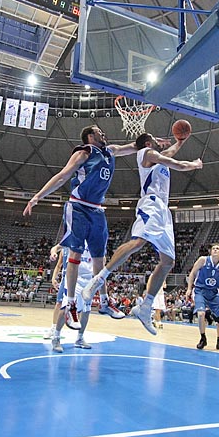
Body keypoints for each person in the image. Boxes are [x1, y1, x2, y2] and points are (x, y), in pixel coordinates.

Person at [82, 131, 203, 334]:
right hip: (151, 204)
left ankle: (145, 307)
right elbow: (179, 165)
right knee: (138, 242)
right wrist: (194, 164)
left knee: (168, 262)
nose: (159, 142)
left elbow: (170, 152)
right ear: (148, 143)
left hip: (164, 210)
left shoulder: (159, 159)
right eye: (155, 140)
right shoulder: (146, 153)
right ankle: (98, 280)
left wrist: (180, 141)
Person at [23, 125, 141, 321]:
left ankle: (104, 301)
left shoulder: (110, 151)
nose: (103, 133)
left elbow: (131, 146)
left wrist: (149, 145)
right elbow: (62, 176)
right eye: (99, 131)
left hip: (96, 209)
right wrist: (37, 197)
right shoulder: (84, 152)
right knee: (75, 253)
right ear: (89, 136)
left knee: (99, 259)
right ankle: (70, 304)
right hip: (78, 207)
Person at [186, 243, 219, 351]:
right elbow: (192, 273)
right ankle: (203, 338)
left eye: (217, 248)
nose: (215, 250)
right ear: (210, 252)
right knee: (201, 314)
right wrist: (189, 288)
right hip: (200, 290)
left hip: (214, 292)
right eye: (213, 248)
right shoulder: (203, 260)